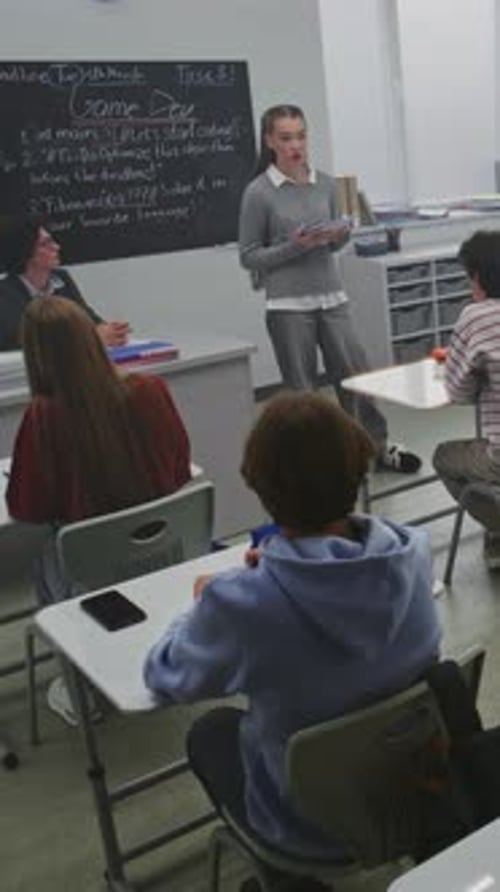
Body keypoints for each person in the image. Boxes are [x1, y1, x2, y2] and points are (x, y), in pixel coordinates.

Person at [144, 391, 440, 878]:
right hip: (410, 791)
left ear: (261, 485)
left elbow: (167, 674)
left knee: (210, 731)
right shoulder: (414, 553)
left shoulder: (242, 606)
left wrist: (206, 602)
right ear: (360, 466)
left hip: (309, 826)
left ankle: (288, 881)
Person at [7, 296, 191, 724]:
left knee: (43, 555)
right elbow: (180, 468)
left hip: (88, 575)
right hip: (165, 558)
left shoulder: (44, 416)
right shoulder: (151, 390)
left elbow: (25, 507)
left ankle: (79, 684)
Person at [238, 104, 421, 474]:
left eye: (301, 136)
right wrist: (297, 245)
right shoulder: (258, 192)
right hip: (288, 304)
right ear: (270, 141)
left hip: (331, 295)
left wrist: (339, 236)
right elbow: (250, 256)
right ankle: (316, 463)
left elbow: (336, 245)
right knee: (302, 393)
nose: (296, 145)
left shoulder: (324, 182)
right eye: (286, 138)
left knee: (358, 376)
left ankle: (376, 447)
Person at [433, 230, 500, 569]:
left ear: (478, 275)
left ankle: (497, 529)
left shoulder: (476, 316)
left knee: (444, 456)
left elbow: (457, 392)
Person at [0, 214, 130, 350]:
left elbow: (86, 317)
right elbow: (24, 340)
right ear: (25, 251)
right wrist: (91, 338)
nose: (56, 247)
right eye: (45, 244)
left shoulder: (61, 279)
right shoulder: (5, 295)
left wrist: (111, 331)